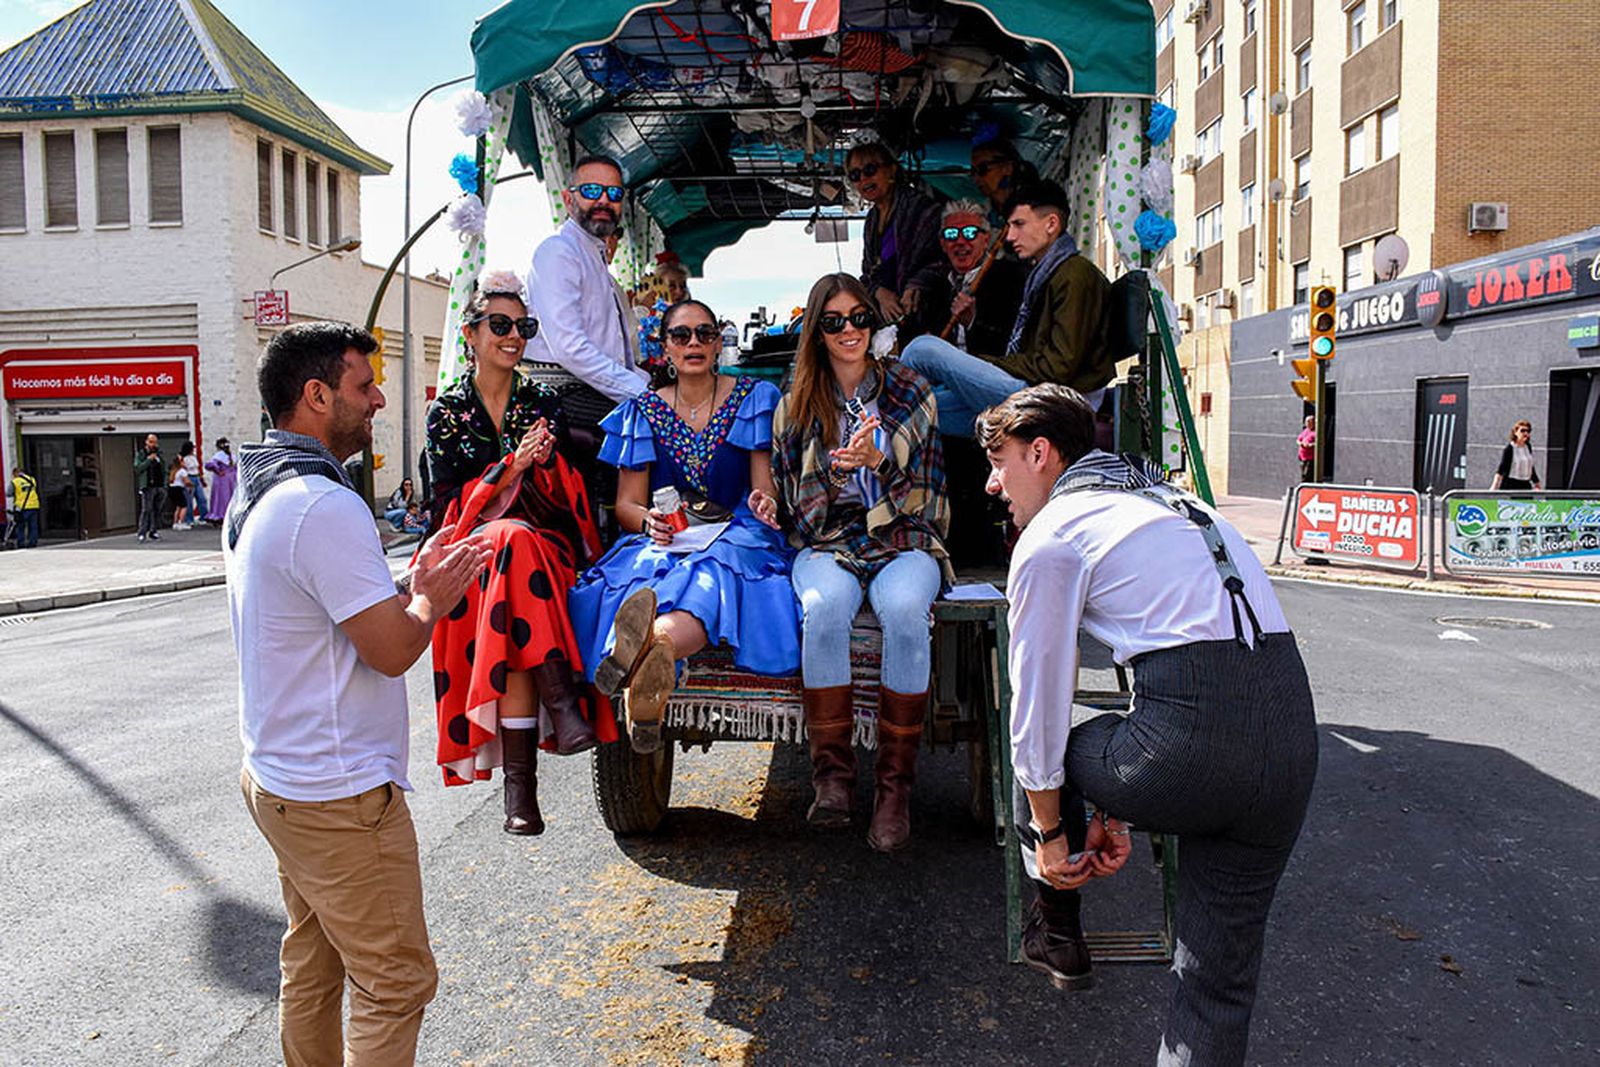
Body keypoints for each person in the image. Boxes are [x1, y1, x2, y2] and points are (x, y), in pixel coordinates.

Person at [977, 384, 1317, 1065]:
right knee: (1216, 988)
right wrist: (1118, 808)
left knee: (1042, 736)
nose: (992, 483)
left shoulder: (1052, 533)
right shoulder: (1182, 502)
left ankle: (1055, 922)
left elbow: (1038, 703)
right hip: (1289, 742)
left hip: (1187, 751)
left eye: (999, 460)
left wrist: (1050, 835)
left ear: (1041, 453)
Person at [227, 320, 493, 1066]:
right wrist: (431, 599)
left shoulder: (260, 485)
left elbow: (331, 609)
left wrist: (408, 582)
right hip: (337, 796)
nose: (379, 398)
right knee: (396, 981)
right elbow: (391, 648)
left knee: (313, 964)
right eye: (362, 384)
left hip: (280, 779)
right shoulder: (323, 503)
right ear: (316, 395)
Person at [425, 272, 614, 835]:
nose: (513, 337)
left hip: (542, 551)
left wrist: (548, 463)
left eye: (523, 327)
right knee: (510, 542)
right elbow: (445, 511)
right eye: (501, 326)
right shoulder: (448, 411)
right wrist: (513, 466)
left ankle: (521, 795)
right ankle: (561, 707)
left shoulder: (542, 402)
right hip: (474, 550)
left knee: (520, 546)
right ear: (471, 333)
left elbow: (570, 495)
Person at [569, 299, 800, 753]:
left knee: (712, 570)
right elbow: (627, 506)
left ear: (718, 343)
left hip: (738, 529)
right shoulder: (641, 411)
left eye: (705, 334)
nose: (693, 343)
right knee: (648, 569)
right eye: (681, 335)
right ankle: (653, 652)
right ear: (664, 348)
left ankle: (649, 645)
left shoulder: (753, 397)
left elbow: (763, 490)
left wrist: (766, 503)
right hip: (667, 535)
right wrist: (649, 520)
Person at [771, 273, 951, 853]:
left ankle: (894, 791)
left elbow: (925, 497)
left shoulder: (910, 388)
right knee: (823, 610)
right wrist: (839, 472)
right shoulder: (796, 399)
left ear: (873, 325)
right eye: (833, 321)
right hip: (830, 541)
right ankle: (833, 780)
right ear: (816, 332)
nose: (849, 330)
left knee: (903, 609)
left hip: (905, 536)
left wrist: (879, 463)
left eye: (859, 318)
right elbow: (798, 510)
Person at [899, 180, 1113, 437]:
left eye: (1019, 225)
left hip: (1057, 401)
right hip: (1033, 388)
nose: (1010, 236)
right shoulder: (1045, 275)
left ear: (1051, 224)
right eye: (950, 235)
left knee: (922, 349)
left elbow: (1059, 368)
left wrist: (979, 362)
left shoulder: (1073, 274)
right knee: (911, 408)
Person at [526, 155, 651, 471]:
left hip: (595, 389)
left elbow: (612, 351)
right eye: (592, 190)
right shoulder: (558, 252)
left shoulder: (596, 260)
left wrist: (647, 384)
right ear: (569, 199)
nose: (604, 201)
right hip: (568, 395)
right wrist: (641, 392)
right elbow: (570, 347)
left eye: (614, 194)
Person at [847, 140, 946, 338]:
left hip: (929, 314)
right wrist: (879, 292)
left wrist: (916, 284)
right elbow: (868, 272)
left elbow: (943, 259)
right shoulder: (872, 220)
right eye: (855, 175)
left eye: (870, 170)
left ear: (891, 171)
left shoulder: (922, 208)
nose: (863, 179)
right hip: (889, 319)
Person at [924, 199, 1027, 357]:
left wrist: (972, 322)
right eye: (951, 234)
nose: (960, 241)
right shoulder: (936, 285)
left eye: (970, 232)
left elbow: (1014, 344)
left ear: (986, 240)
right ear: (943, 244)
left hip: (993, 372)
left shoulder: (1011, 278)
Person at [969, 136, 1038, 225]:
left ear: (1007, 168)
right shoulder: (982, 215)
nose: (976, 178)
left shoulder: (1036, 206)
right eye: (973, 172)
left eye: (983, 169)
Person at [1492, 420, 1543, 491]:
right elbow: (1502, 469)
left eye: (1528, 431)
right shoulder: (1510, 448)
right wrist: (1493, 488)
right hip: (1511, 484)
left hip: (1525, 484)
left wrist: (1537, 484)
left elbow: (1530, 467)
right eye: (1522, 431)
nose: (1525, 433)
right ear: (1516, 432)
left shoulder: (1527, 447)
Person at [134, 434, 165, 542]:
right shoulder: (141, 454)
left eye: (155, 442)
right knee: (146, 509)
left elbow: (163, 468)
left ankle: (153, 531)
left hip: (159, 485)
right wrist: (148, 460)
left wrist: (164, 485)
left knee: (157, 509)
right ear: (146, 442)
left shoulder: (159, 453)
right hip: (148, 486)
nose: (153, 444)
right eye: (151, 442)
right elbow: (137, 468)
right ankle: (142, 532)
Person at [204, 438, 236, 523]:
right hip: (232, 478)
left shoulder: (218, 455)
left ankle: (219, 514)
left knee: (220, 497)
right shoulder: (232, 456)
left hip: (221, 479)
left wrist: (217, 471)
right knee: (230, 495)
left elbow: (210, 465)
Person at [9, 465, 40, 548]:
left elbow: (9, 493)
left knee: (20, 525)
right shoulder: (32, 480)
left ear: (15, 473)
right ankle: (33, 542)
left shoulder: (15, 481)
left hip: (22, 507)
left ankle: (21, 542)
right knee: (33, 526)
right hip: (34, 505)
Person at [179, 441, 208, 525]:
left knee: (202, 498)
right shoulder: (183, 458)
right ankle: (189, 519)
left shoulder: (193, 457)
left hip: (196, 477)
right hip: (189, 476)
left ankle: (203, 517)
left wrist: (201, 477)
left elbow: (197, 468)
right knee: (189, 500)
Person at [168, 453, 191, 530]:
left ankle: (175, 522)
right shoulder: (182, 471)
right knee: (184, 506)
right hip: (178, 489)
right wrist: (191, 485)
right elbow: (186, 481)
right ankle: (180, 522)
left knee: (177, 507)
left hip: (172, 489)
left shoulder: (173, 470)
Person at [1296, 416, 1316, 483]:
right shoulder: (1305, 431)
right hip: (1302, 457)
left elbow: (1320, 443)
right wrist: (1301, 443)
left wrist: (1310, 445)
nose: (1307, 424)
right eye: (1306, 422)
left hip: (1310, 458)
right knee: (1302, 473)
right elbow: (1298, 440)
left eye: (1309, 422)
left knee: (1307, 475)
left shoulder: (1316, 432)